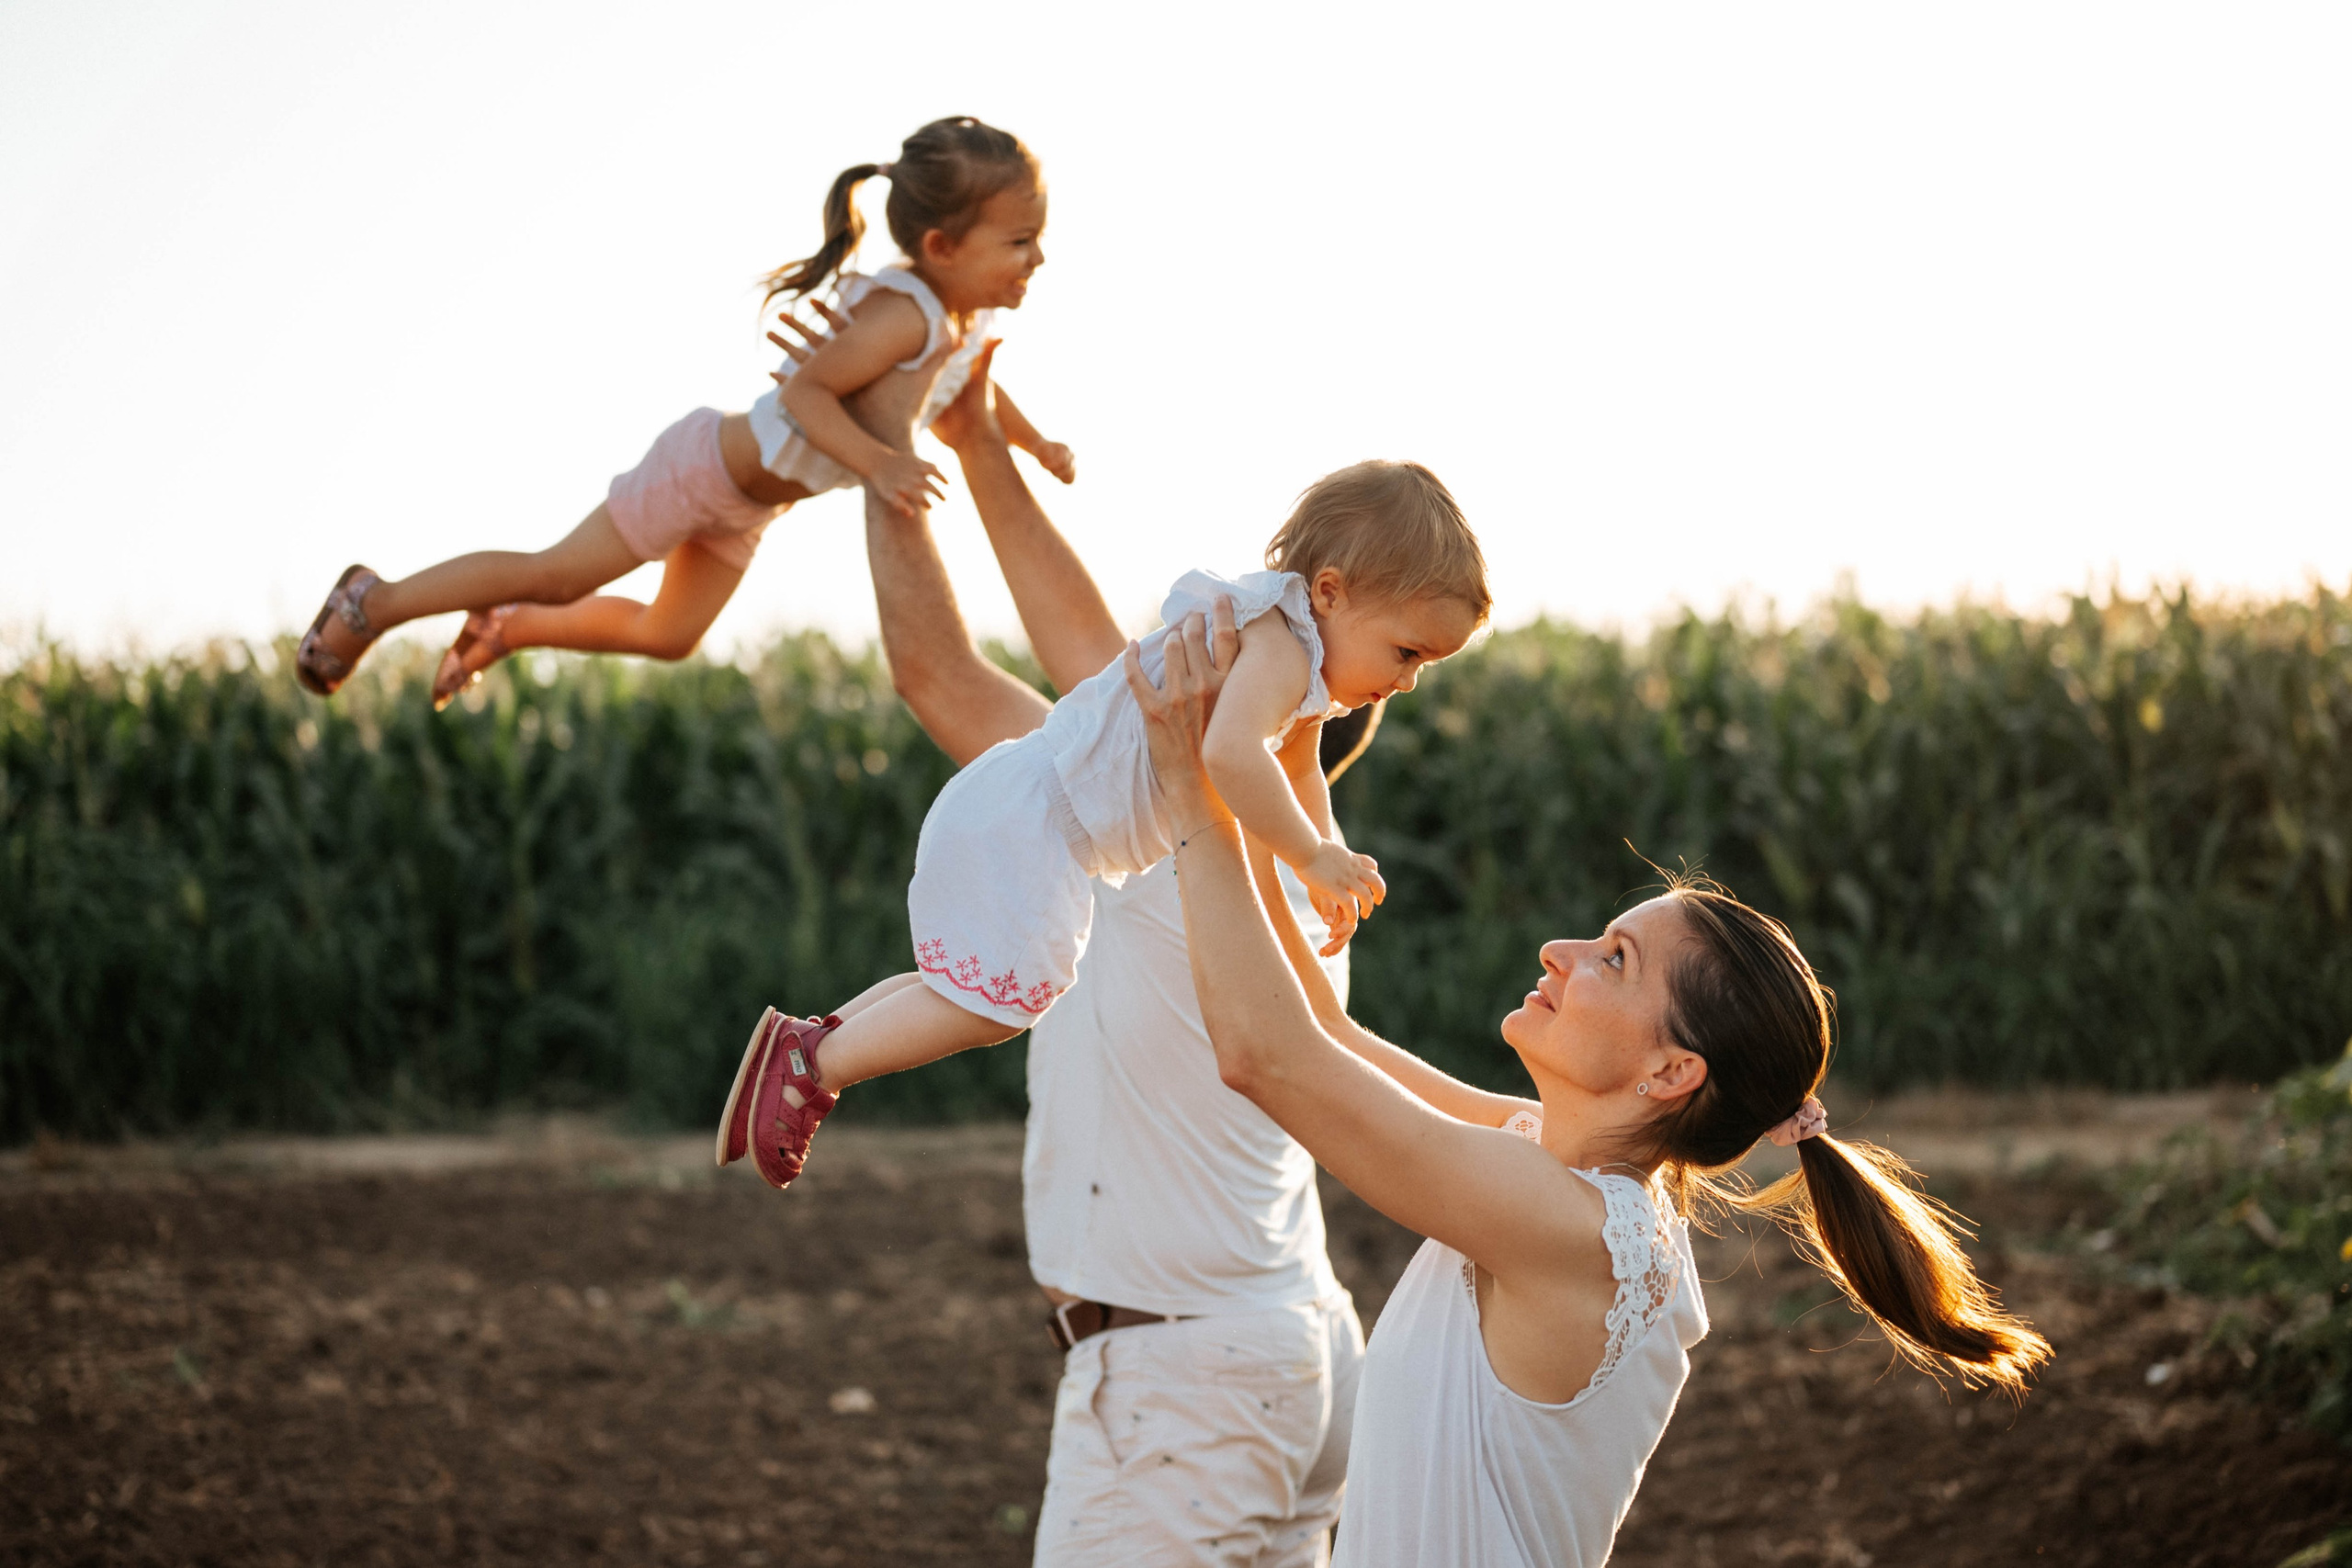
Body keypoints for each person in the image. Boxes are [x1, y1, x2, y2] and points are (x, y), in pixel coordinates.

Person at [1121, 615, 2054, 1568]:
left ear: (1669, 1073)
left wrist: (1197, 790)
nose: (1557, 954)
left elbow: (1268, 1057)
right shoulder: (1558, 1171)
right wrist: (1295, 734)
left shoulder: (1576, 1234)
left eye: (1613, 959)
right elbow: (1325, 1033)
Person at [749, 339, 1384, 1564]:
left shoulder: (1166, 834)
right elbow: (1088, 660)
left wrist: (899, 466)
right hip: (1300, 1357)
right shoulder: (1310, 877)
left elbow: (944, 673)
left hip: (1185, 1392)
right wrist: (982, 446)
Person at [714, 449, 1487, 1192]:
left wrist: (1330, 860)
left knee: (963, 987)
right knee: (998, 1008)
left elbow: (1299, 772)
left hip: (1033, 809)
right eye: (1407, 651)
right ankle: (818, 1068)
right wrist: (1314, 858)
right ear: (1330, 590)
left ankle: (811, 1044)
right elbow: (1230, 753)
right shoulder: (1280, 646)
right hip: (1041, 820)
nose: (1408, 681)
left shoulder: (1297, 666)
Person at [289, 115, 1069, 706]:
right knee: (557, 572)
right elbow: (806, 394)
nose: (1037, 258)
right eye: (1021, 241)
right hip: (702, 471)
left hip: (746, 506)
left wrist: (1032, 444)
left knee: (670, 635)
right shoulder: (904, 314)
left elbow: (970, 392)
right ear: (941, 245)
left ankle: (507, 625)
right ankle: (373, 600)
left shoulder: (960, 325)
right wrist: (880, 464)